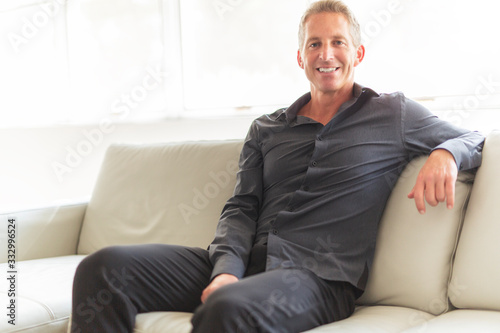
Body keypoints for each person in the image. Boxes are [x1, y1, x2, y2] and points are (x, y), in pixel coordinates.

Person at [69, 1, 485, 332]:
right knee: (102, 268)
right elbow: (241, 208)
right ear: (300, 57)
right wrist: (227, 269)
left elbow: (473, 138)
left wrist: (445, 154)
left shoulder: (393, 113)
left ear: (357, 53)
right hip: (243, 261)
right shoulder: (267, 128)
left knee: (228, 310)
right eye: (315, 43)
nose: (327, 54)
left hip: (315, 277)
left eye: (338, 42)